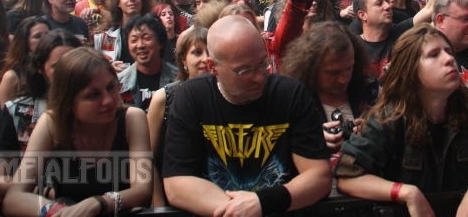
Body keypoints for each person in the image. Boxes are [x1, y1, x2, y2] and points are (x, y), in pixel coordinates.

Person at [335, 25, 468, 216]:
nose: (449, 59)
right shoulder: (389, 119)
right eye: (433, 55)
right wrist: (406, 193)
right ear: (411, 70)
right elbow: (348, 176)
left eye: (448, 51)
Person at [162, 15, 332, 216]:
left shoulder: (290, 94)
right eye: (244, 71)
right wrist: (239, 211)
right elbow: (177, 184)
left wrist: (263, 203)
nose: (259, 77)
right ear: (212, 67)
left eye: (262, 63)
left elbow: (319, 177)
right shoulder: (192, 97)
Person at [2, 47, 152, 216]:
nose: (108, 100)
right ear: (68, 101)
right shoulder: (51, 123)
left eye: (111, 87)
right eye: (93, 95)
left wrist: (101, 202)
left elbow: (143, 191)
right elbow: (14, 198)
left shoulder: (132, 119)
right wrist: (59, 212)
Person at [280, 22, 376, 162]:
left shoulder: (370, 90)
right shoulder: (293, 99)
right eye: (333, 73)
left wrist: (374, 131)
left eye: (349, 68)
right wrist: (310, 141)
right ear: (311, 68)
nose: (343, 79)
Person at [0, 31, 81, 186]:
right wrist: (41, 192)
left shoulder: (102, 107)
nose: (67, 72)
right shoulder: (16, 112)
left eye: (74, 64)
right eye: (57, 66)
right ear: (41, 69)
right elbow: (1, 176)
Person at [146, 27, 209, 206]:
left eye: (211, 52)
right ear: (183, 61)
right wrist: (159, 207)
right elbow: (146, 160)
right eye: (197, 52)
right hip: (173, 200)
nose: (206, 59)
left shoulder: (226, 95)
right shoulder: (164, 98)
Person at [117, 14, 178, 111]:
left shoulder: (178, 79)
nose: (140, 45)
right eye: (134, 40)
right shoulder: (119, 83)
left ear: (160, 43)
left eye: (147, 38)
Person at [93, 0, 153, 69]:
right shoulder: (106, 36)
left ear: (143, 1)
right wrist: (109, 69)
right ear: (118, 3)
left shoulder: (154, 32)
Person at [0, 16, 50, 107]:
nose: (45, 39)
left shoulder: (57, 68)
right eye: (37, 36)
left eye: (48, 35)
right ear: (25, 42)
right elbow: (6, 113)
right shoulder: (11, 77)